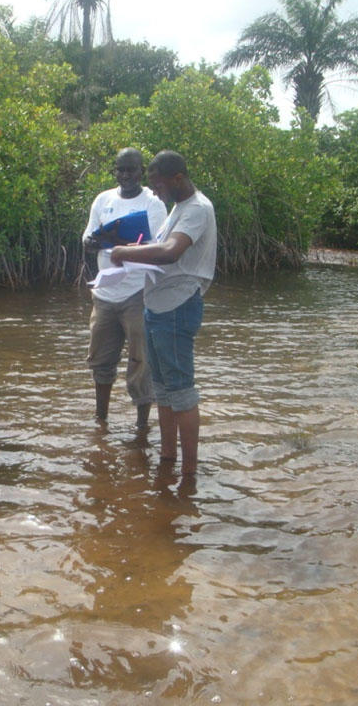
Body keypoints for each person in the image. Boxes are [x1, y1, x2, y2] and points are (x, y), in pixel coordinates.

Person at [110, 151, 217, 474]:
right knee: (163, 388)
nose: (154, 191)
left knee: (181, 389)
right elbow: (160, 249)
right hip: (157, 306)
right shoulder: (179, 208)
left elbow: (171, 252)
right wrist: (132, 254)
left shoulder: (197, 208)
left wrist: (123, 252)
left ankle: (189, 472)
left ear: (178, 179)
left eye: (157, 184)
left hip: (177, 307)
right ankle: (167, 460)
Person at [83, 147, 167, 428]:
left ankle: (141, 427)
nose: (125, 175)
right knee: (100, 361)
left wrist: (127, 247)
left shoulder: (153, 202)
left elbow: (158, 246)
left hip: (138, 294)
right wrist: (92, 242)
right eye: (120, 169)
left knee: (141, 363)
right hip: (104, 294)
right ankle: (100, 420)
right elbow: (87, 236)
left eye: (131, 169)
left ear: (141, 171)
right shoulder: (103, 199)